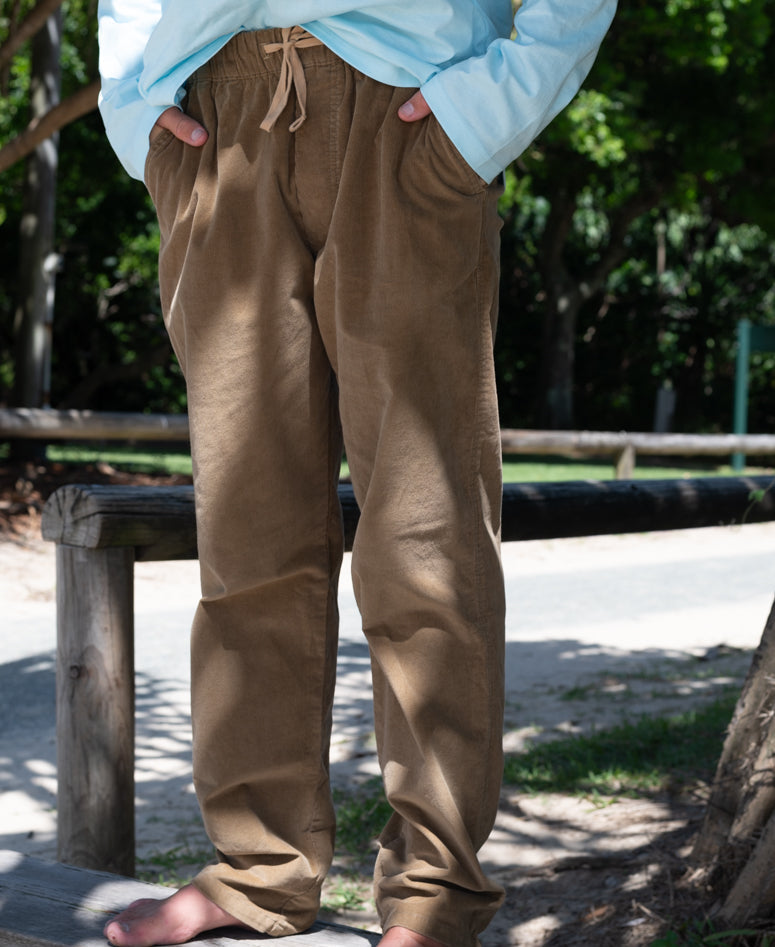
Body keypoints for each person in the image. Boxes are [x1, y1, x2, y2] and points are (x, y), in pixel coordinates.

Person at [96, 3, 616, 946]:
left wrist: (490, 107)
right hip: (211, 121)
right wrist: (134, 110)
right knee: (245, 532)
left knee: (425, 529)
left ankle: (431, 891)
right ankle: (256, 870)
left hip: (408, 111)